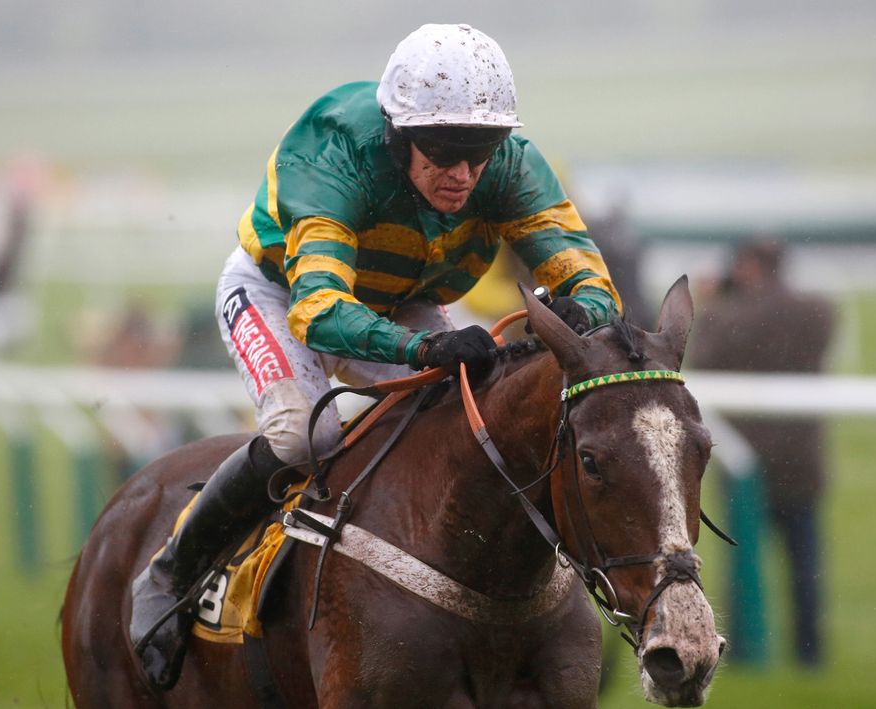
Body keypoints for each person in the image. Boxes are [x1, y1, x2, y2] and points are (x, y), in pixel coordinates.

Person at [129, 23, 622, 690]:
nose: (462, 174)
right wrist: (425, 345)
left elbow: (587, 275)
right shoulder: (333, 151)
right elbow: (320, 310)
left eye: (479, 151)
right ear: (396, 134)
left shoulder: (509, 165)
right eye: (443, 152)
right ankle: (171, 570)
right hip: (281, 290)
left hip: (403, 297)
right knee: (304, 435)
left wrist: (583, 310)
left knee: (462, 422)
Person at [688, 240, 833, 668]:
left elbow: (702, 360)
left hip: (748, 461)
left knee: (745, 566)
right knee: (805, 565)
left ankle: (747, 650)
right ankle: (809, 652)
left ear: (748, 267)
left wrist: (713, 302)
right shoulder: (815, 311)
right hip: (802, 459)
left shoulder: (729, 317)